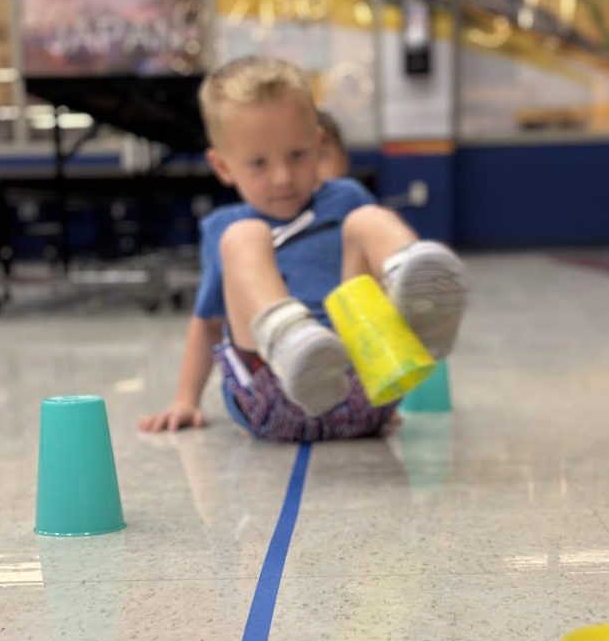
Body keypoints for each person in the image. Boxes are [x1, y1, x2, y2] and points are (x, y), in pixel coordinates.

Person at [138, 56, 467, 442]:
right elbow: (208, 324)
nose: (282, 177)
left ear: (319, 142)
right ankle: (288, 338)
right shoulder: (224, 229)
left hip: (367, 389)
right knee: (244, 235)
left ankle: (414, 285)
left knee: (366, 219)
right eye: (258, 163)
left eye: (297, 155)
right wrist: (185, 400)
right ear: (223, 167)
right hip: (273, 394)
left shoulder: (345, 199)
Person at [316, 108, 350, 182]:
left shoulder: (350, 191)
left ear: (343, 163)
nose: (311, 170)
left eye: (321, 154)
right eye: (298, 156)